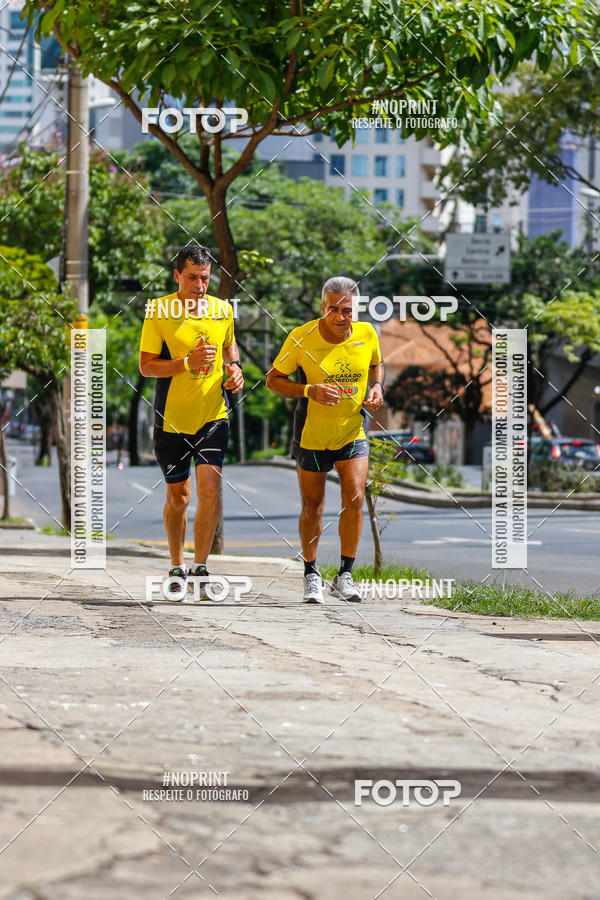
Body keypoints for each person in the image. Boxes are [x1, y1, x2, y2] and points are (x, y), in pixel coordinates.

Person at [266, 276, 384, 603]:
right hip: (312, 434)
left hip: (351, 431)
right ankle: (311, 573)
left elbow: (377, 364)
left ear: (355, 309)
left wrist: (377, 387)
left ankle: (345, 574)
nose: (340, 317)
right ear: (323, 307)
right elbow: (273, 381)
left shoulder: (367, 333)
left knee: (355, 499)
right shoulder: (301, 337)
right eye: (333, 309)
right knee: (313, 506)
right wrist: (309, 390)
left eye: (346, 310)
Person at [139, 244, 243, 600]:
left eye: (205, 278)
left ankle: (200, 567)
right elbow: (147, 365)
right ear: (177, 276)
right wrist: (186, 363)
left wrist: (236, 371)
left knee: (210, 490)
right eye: (193, 277)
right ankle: (175, 564)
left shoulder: (222, 310)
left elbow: (231, 349)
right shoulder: (159, 310)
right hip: (172, 419)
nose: (200, 284)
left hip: (213, 414)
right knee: (179, 497)